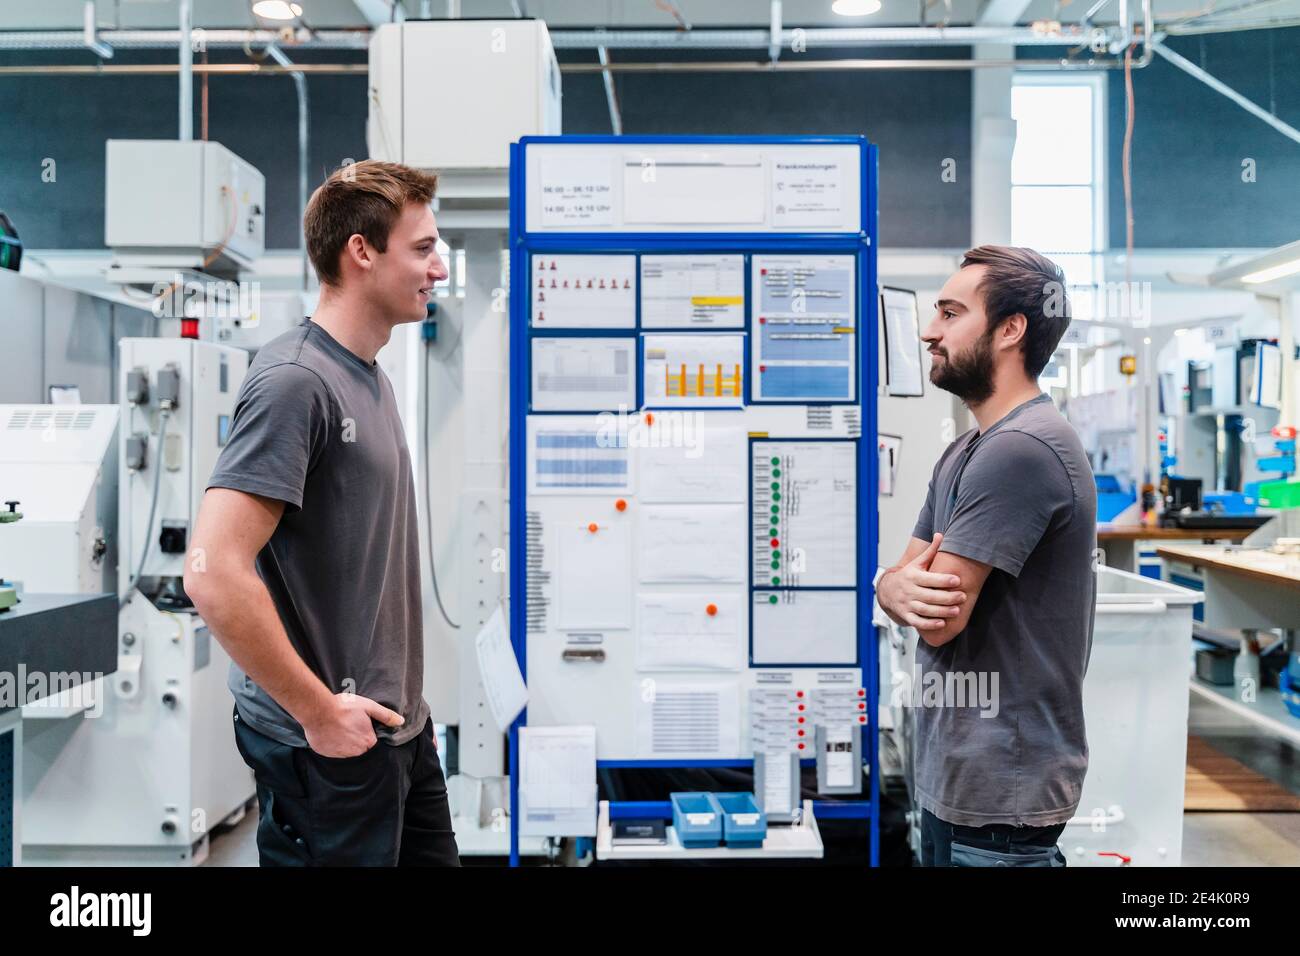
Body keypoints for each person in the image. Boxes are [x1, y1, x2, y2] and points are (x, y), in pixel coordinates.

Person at [185, 160, 460, 866]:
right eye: (423, 249)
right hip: (332, 746)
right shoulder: (295, 383)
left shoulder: (371, 379)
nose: (440, 268)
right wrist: (319, 711)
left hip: (396, 730)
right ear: (361, 252)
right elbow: (212, 572)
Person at [876, 245, 1097, 867]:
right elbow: (902, 585)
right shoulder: (969, 449)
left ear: (1010, 329)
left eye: (949, 313)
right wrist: (886, 586)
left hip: (1003, 792)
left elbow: (937, 615)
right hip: (959, 778)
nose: (928, 330)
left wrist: (898, 589)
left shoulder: (1022, 449)